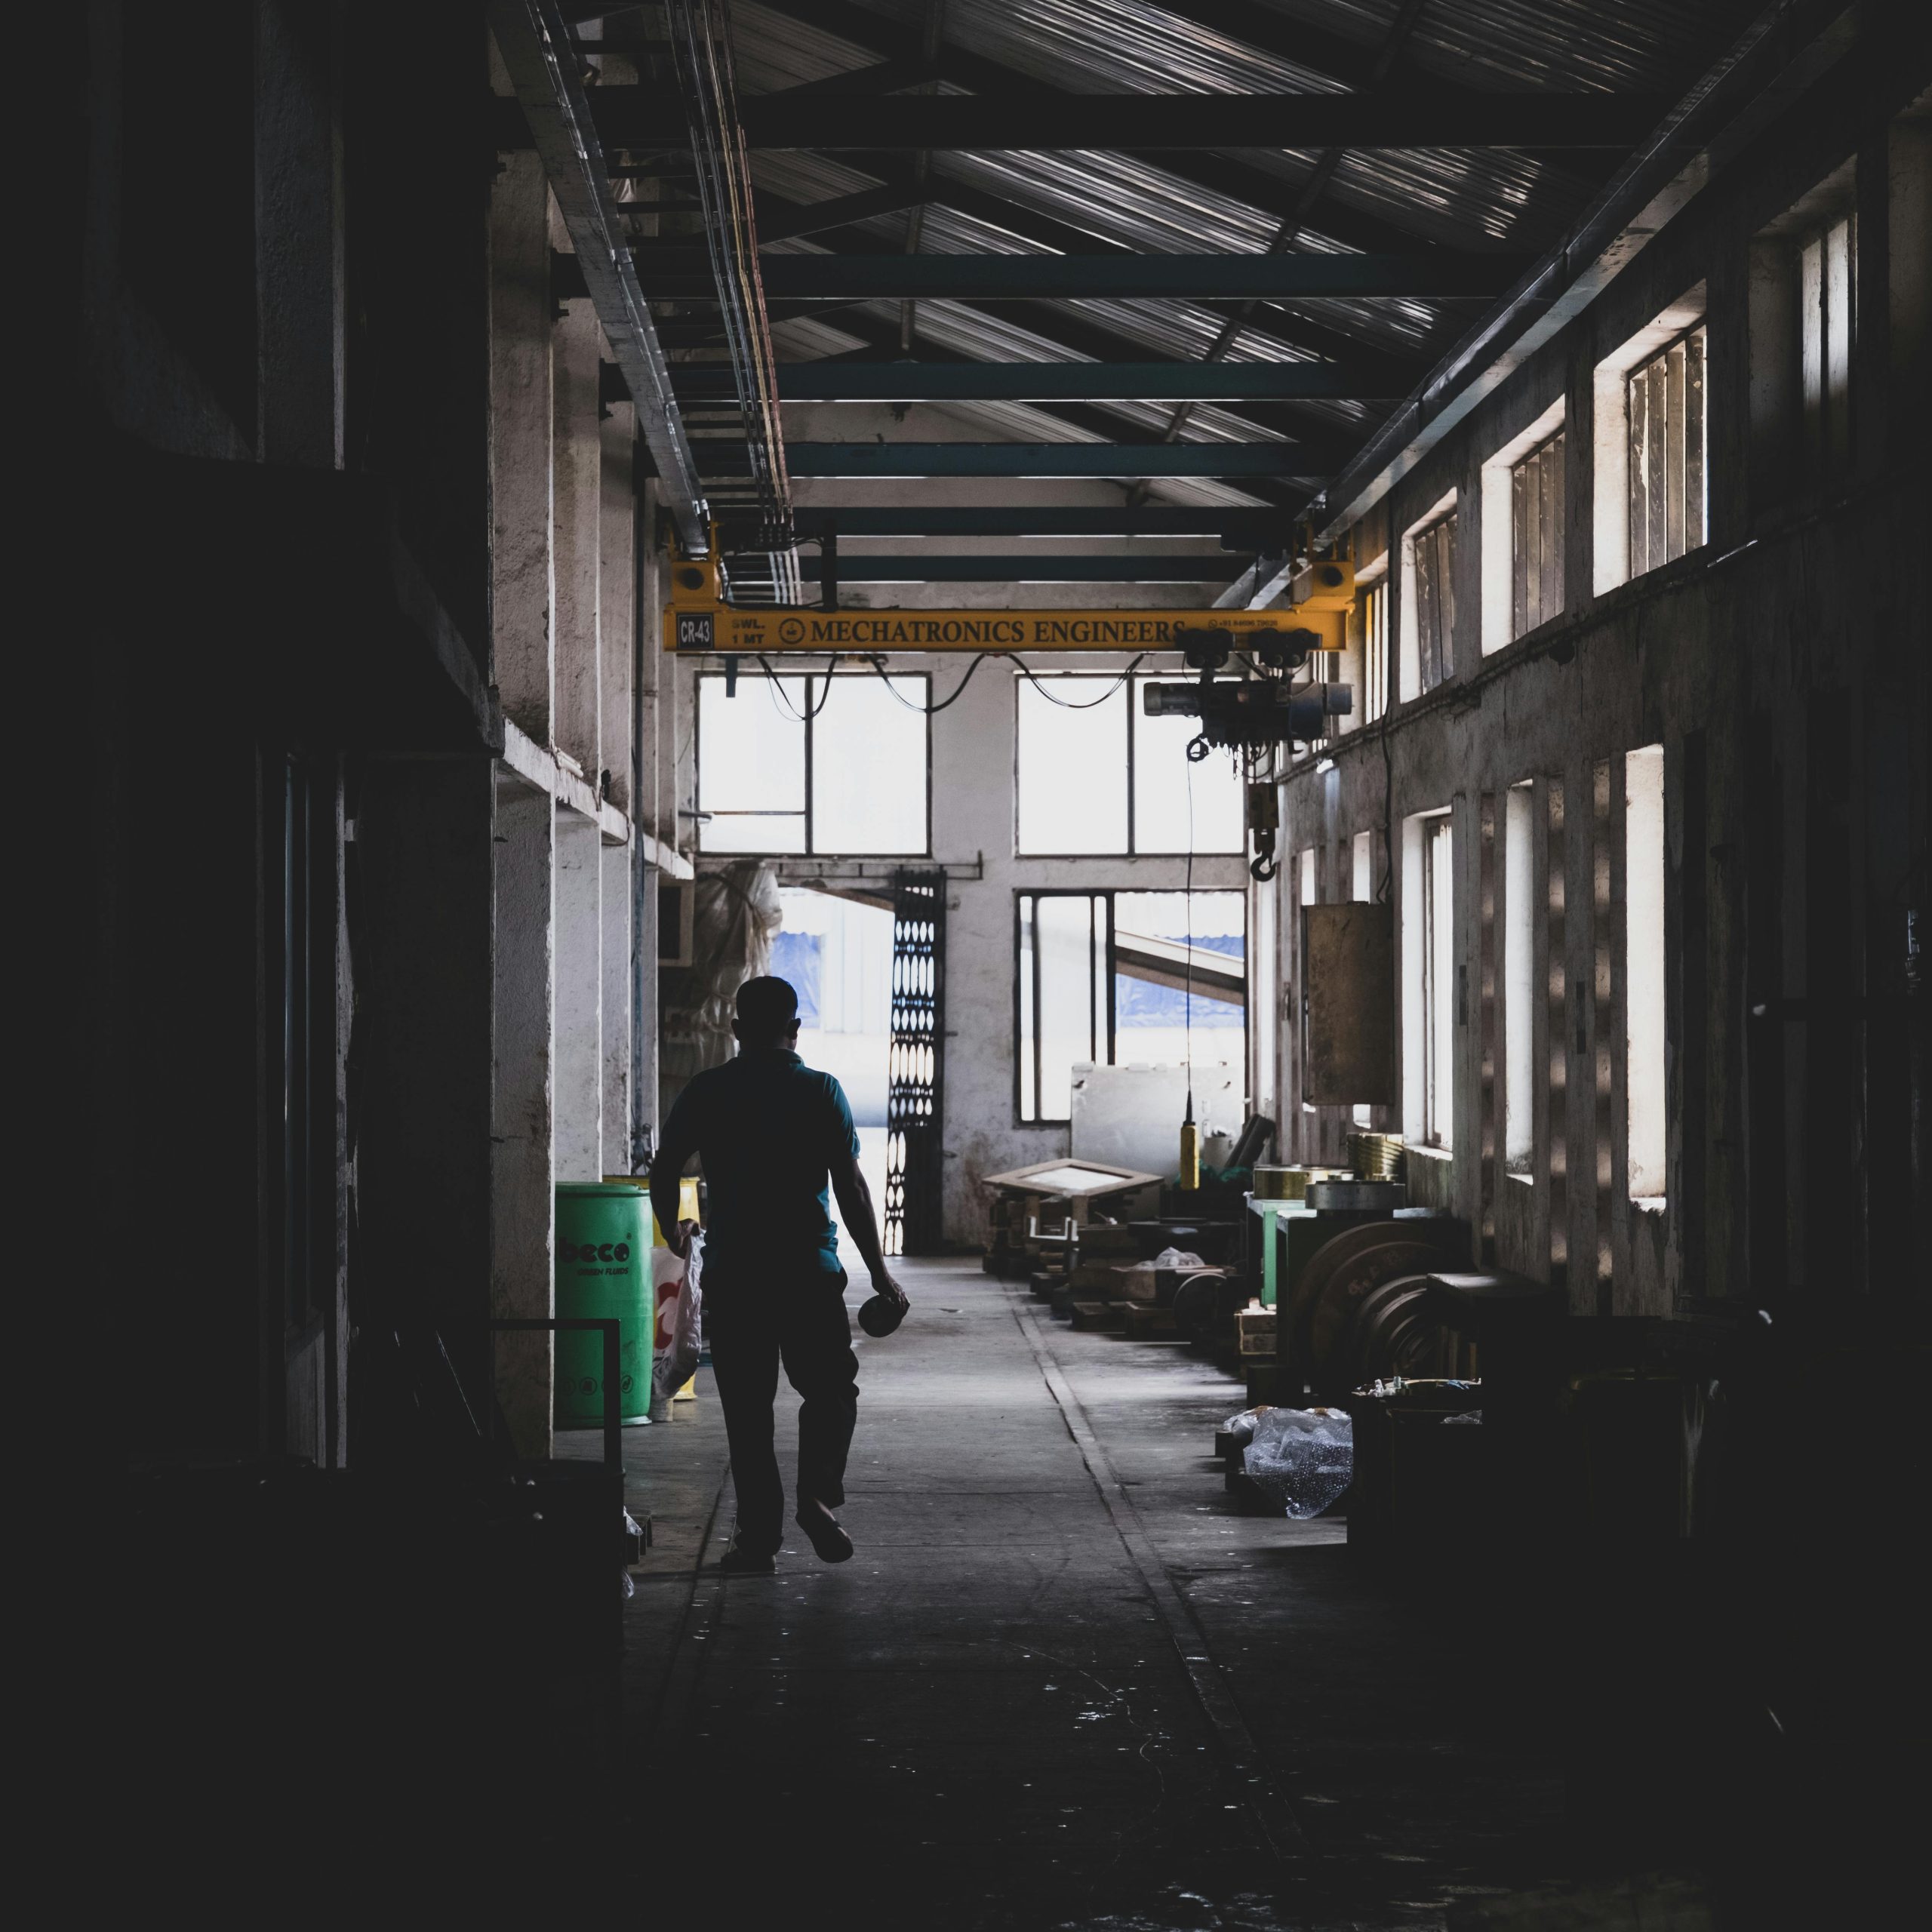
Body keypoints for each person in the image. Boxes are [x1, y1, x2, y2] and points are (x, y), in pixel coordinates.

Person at [650, 974, 909, 1574]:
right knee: (830, 1391)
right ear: (795, 1030)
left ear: (736, 1030)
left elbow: (666, 1168)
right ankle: (817, 1495)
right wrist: (878, 1273)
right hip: (808, 1275)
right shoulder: (821, 1090)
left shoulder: (709, 1090)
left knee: (748, 1412)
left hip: (737, 1277)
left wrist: (675, 1230)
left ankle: (758, 1542)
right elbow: (851, 1186)